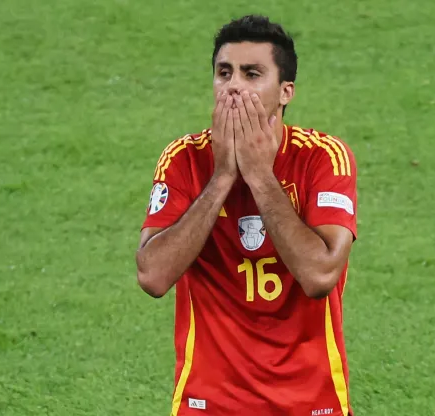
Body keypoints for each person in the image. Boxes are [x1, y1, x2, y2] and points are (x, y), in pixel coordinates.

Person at [136, 14, 358, 416]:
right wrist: (223, 176)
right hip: (210, 403)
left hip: (310, 400)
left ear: (285, 91)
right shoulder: (184, 159)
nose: (234, 85)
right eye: (225, 73)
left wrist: (258, 174)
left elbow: (320, 275)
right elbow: (152, 275)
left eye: (252, 73)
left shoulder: (323, 158)